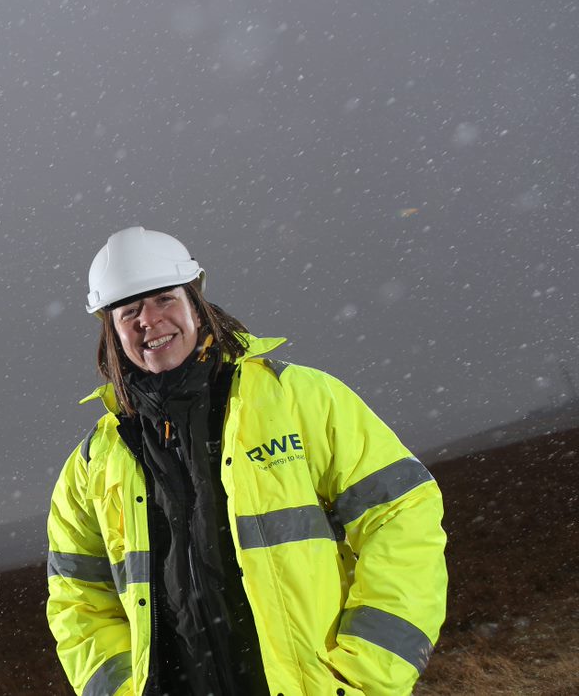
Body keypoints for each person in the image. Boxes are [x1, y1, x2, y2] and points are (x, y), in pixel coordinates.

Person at [46, 227, 447, 696]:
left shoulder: (298, 399)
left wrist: (367, 674)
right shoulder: (93, 465)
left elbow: (402, 520)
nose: (148, 321)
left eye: (163, 300)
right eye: (128, 310)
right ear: (111, 330)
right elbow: (77, 603)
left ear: (195, 302)